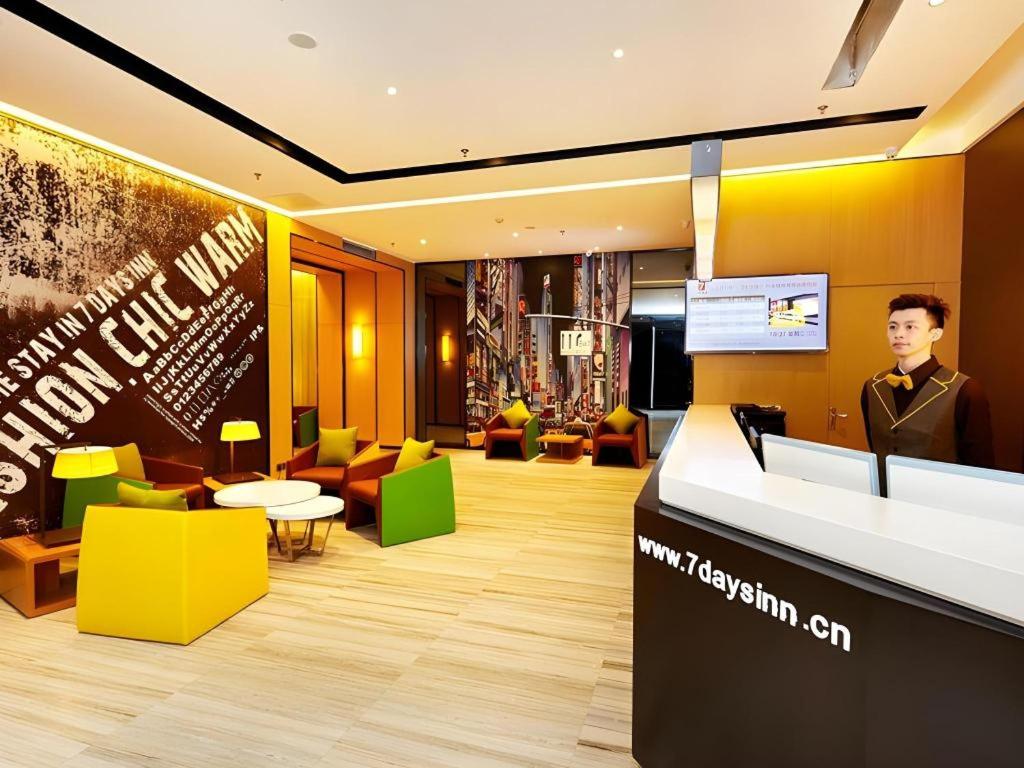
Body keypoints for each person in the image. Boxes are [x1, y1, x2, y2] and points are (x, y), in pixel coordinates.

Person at [861, 294, 993, 491]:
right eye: (892, 326)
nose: (898, 334)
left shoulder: (964, 390)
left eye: (910, 327)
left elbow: (981, 469)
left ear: (935, 334)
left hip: (940, 503)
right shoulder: (873, 386)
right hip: (882, 500)